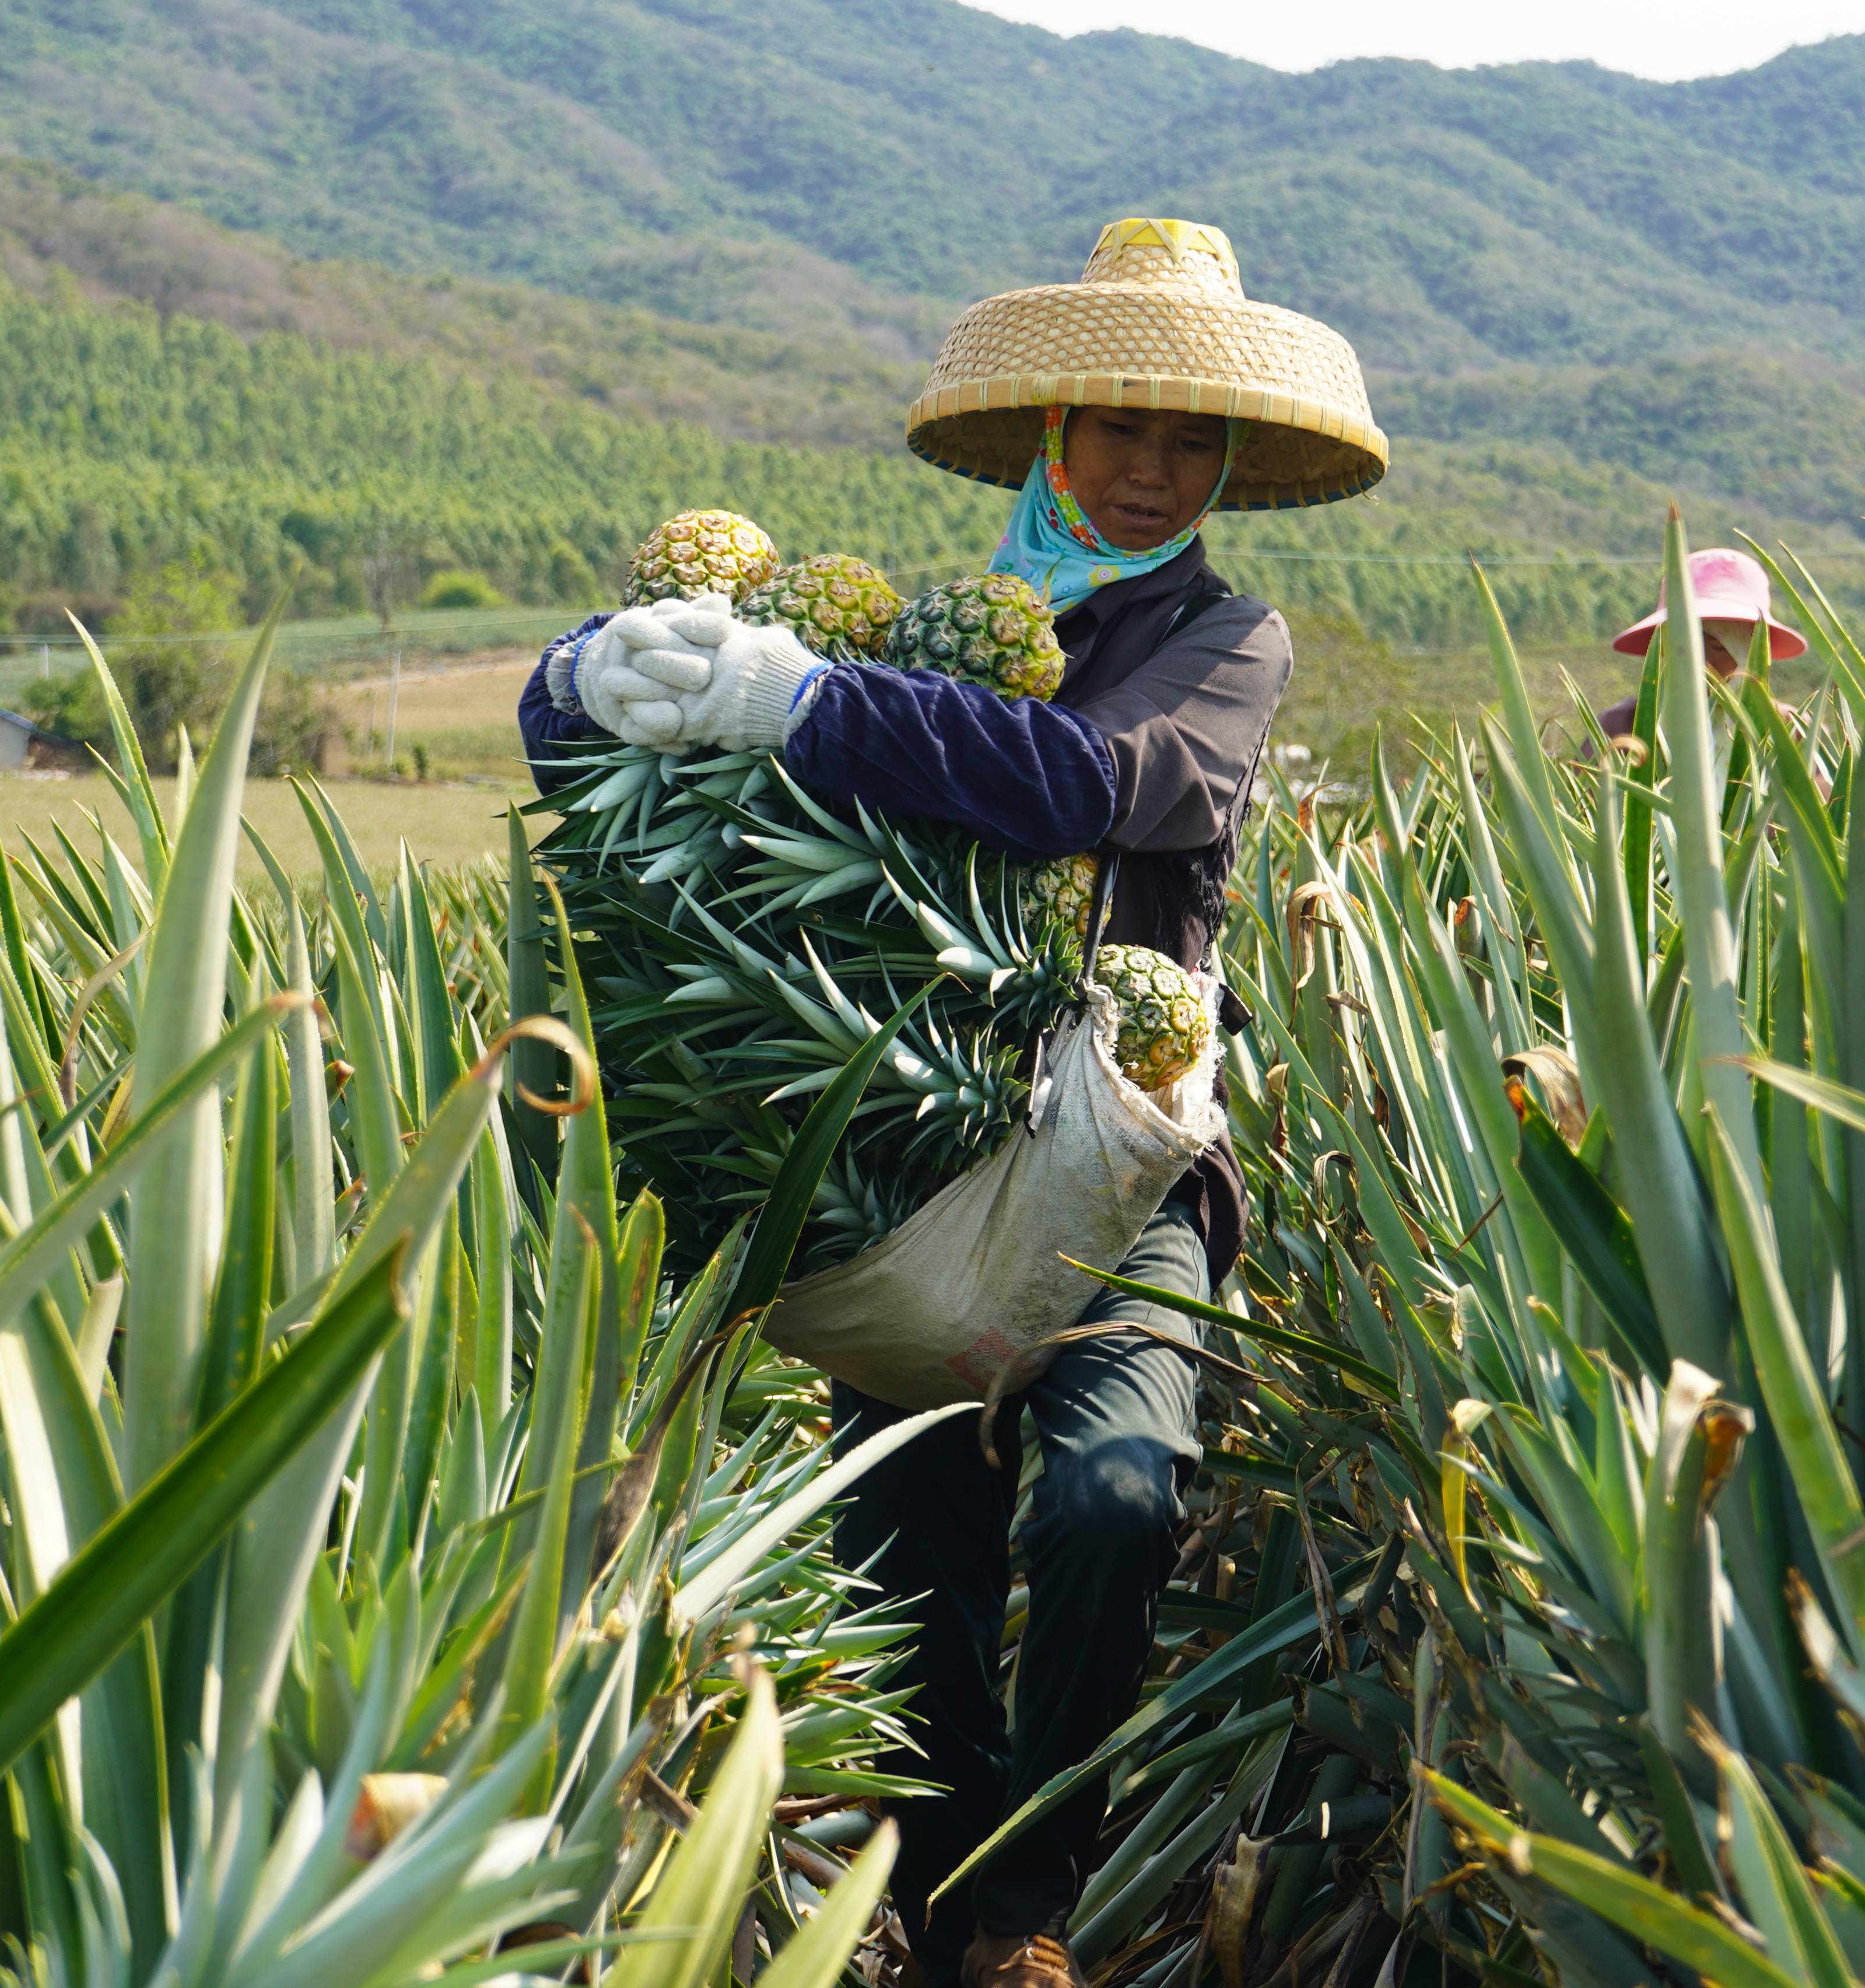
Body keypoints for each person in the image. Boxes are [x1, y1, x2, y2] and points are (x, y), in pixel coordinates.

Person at [521, 218, 1387, 1988]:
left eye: (1183, 442)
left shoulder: (1219, 639)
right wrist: (584, 677)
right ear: (1051, 436)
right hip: (904, 1163)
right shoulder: (934, 636)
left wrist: (805, 701)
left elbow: (1085, 782)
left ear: (1223, 462)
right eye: (1114, 433)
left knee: (1111, 1495)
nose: (1148, 473)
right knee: (906, 1550)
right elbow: (650, 794)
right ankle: (922, 1904)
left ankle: (1029, 1904)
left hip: (1124, 1166)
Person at [1590, 545, 1806, 744]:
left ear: (1754, 652)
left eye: (1719, 647)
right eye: (1683, 647)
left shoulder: (1793, 733)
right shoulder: (1623, 728)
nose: (1700, 663)